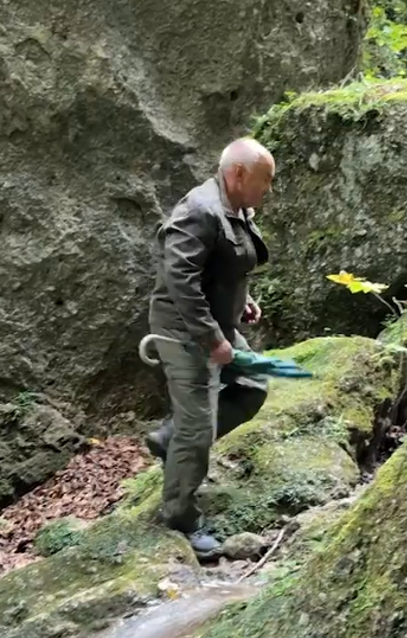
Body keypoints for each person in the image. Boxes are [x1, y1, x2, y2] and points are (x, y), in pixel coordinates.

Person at [145, 137, 274, 553]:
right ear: (238, 174)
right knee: (198, 426)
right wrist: (212, 339)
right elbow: (180, 279)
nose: (268, 189)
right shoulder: (199, 210)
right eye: (264, 180)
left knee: (252, 387)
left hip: (217, 323)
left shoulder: (235, 208)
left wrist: (244, 301)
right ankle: (180, 517)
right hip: (185, 332)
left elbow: (220, 267)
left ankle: (170, 440)